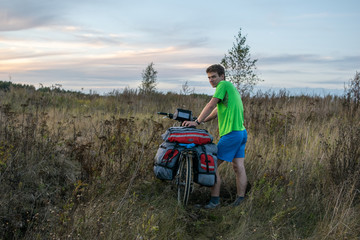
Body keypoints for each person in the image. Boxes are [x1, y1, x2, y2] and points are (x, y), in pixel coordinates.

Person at [182, 64, 248, 208]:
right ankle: (240, 201)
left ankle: (214, 201)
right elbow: (217, 111)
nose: (211, 80)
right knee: (238, 166)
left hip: (231, 134)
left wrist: (197, 122)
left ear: (222, 76)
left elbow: (211, 105)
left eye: (214, 77)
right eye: (209, 77)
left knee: (211, 165)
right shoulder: (231, 88)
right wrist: (201, 120)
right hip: (241, 133)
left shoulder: (223, 85)